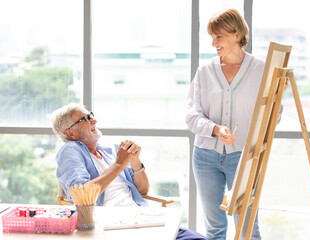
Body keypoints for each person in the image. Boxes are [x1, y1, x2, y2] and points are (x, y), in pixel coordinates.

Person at [51, 103, 208, 240]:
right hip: (110, 226)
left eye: (90, 115)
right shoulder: (70, 150)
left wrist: (135, 162)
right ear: (70, 133)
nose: (94, 120)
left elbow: (143, 189)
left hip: (141, 218)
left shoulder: (108, 150)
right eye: (84, 119)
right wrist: (119, 163)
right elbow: (82, 194)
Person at [185, 8, 264, 240]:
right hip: (205, 157)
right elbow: (191, 114)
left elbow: (273, 116)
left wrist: (276, 95)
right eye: (212, 36)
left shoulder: (260, 70)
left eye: (218, 36)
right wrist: (216, 129)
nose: (213, 43)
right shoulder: (205, 71)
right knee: (214, 230)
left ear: (237, 34)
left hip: (243, 157)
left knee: (248, 229)